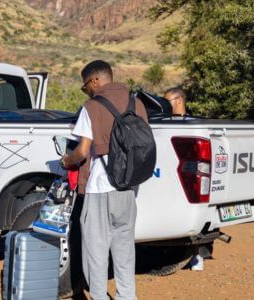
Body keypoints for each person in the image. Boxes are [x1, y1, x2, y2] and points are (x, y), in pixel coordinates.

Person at [61, 60, 148, 300]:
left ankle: (99, 297)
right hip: (129, 189)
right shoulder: (137, 104)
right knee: (125, 251)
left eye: (85, 85)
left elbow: (82, 150)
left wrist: (67, 160)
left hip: (100, 188)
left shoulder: (92, 107)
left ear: (95, 81)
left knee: (96, 253)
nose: (86, 90)